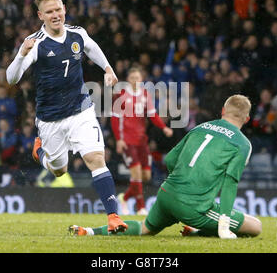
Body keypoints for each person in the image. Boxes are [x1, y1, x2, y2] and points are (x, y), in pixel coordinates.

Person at [6, 0, 126, 233]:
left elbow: (91, 48)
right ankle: (40, 152)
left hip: (81, 111)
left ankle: (113, 216)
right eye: (49, 12)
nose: (55, 15)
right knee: (60, 170)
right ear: (41, 15)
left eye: (58, 9)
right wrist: (20, 54)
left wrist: (108, 69)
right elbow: (11, 79)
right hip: (50, 120)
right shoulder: (35, 44)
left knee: (96, 158)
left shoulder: (77, 34)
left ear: (65, 10)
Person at [70, 95, 262, 239]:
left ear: (222, 111)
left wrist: (183, 179)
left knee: (145, 228)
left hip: (166, 193)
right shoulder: (242, 144)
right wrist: (223, 225)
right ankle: (197, 231)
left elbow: (170, 159)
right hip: (193, 206)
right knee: (256, 226)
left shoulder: (199, 127)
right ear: (246, 119)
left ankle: (88, 231)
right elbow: (230, 184)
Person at [111, 66, 173, 215]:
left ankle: (124, 198)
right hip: (127, 140)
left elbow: (152, 115)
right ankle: (141, 207)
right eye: (132, 78)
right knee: (136, 172)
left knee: (146, 175)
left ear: (141, 80)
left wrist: (163, 127)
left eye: (137, 78)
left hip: (141, 140)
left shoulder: (145, 94)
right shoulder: (121, 95)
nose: (135, 81)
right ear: (128, 79)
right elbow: (115, 119)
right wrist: (119, 139)